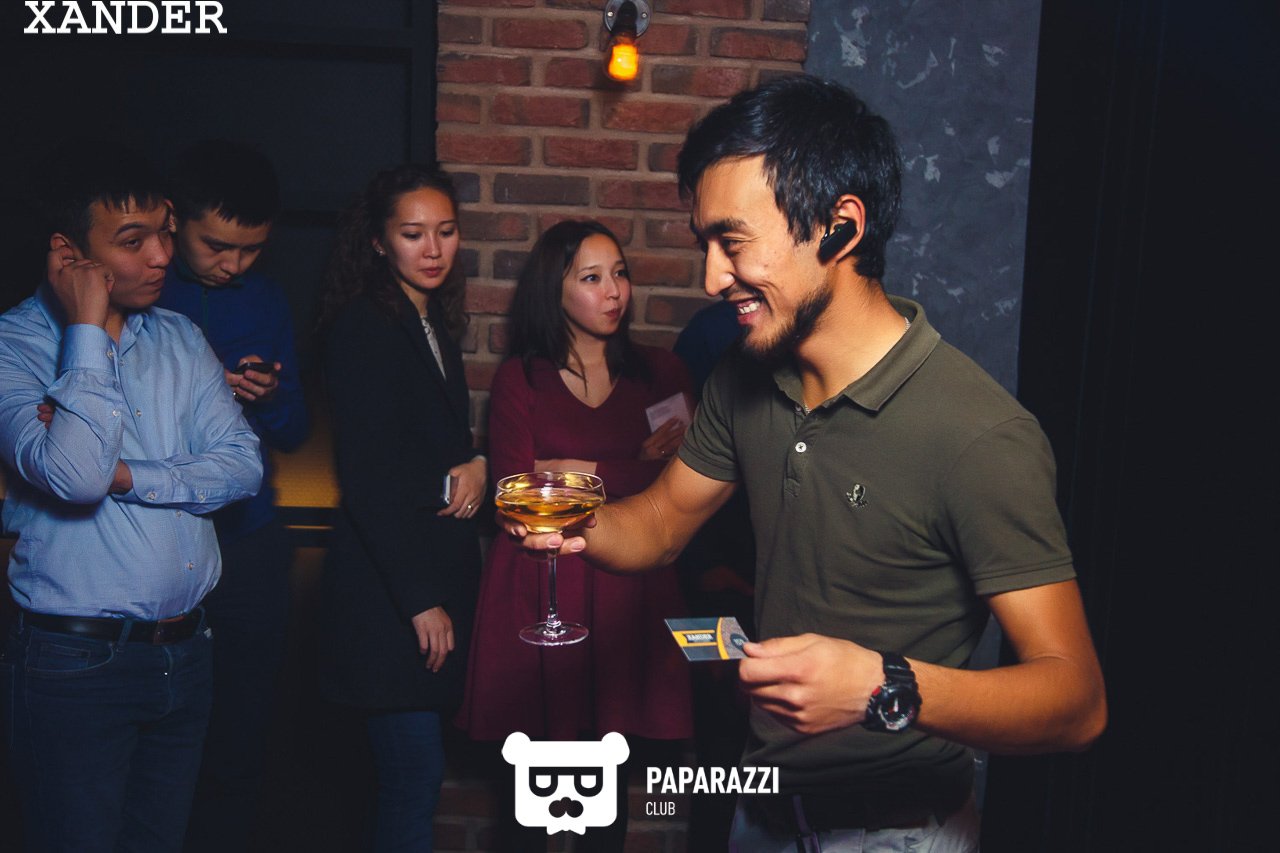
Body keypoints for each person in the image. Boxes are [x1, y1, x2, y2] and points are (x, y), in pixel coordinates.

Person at [505, 75, 1107, 852]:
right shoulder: (745, 374)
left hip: (894, 832)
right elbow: (661, 519)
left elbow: (1076, 701)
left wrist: (884, 686)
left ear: (839, 226)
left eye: (733, 243)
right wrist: (576, 522)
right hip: (761, 808)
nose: (711, 278)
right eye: (704, 244)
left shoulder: (977, 432)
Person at [0, 142, 263, 853]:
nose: (162, 256)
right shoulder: (12, 348)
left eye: (165, 234)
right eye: (132, 240)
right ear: (68, 253)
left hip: (187, 654)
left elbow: (242, 467)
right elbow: (77, 477)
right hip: (75, 666)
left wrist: (129, 475)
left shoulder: (180, 337)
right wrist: (86, 332)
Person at [457, 220, 694, 852]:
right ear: (554, 291)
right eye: (592, 278)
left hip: (626, 589)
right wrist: (629, 468)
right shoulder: (521, 378)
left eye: (620, 273)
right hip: (539, 588)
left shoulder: (662, 372)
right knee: (528, 795)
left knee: (604, 788)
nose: (613, 291)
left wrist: (574, 469)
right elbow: (512, 491)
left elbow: (682, 486)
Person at [316, 164, 486, 852]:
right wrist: (419, 600)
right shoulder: (365, 324)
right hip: (389, 597)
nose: (433, 249)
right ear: (378, 241)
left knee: (412, 784)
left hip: (421, 586)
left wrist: (479, 463)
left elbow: (427, 449)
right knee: (411, 783)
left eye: (446, 231)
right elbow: (368, 478)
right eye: (414, 234)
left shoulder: (429, 319)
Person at [153, 139, 309, 852]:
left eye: (251, 249)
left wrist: (268, 397)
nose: (233, 264)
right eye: (217, 245)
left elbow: (295, 429)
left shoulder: (266, 299)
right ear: (173, 219)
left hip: (248, 545)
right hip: (157, 546)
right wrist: (198, 386)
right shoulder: (143, 289)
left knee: (242, 737)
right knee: (159, 735)